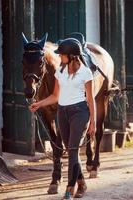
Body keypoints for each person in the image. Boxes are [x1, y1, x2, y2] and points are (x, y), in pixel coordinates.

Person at [29, 38, 96, 199]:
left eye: (62, 55)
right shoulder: (60, 71)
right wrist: (39, 104)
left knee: (73, 150)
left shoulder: (85, 73)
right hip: (63, 112)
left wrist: (93, 121)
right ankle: (82, 183)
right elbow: (55, 96)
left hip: (80, 113)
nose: (60, 57)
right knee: (70, 149)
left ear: (72, 56)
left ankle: (69, 188)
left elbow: (91, 99)